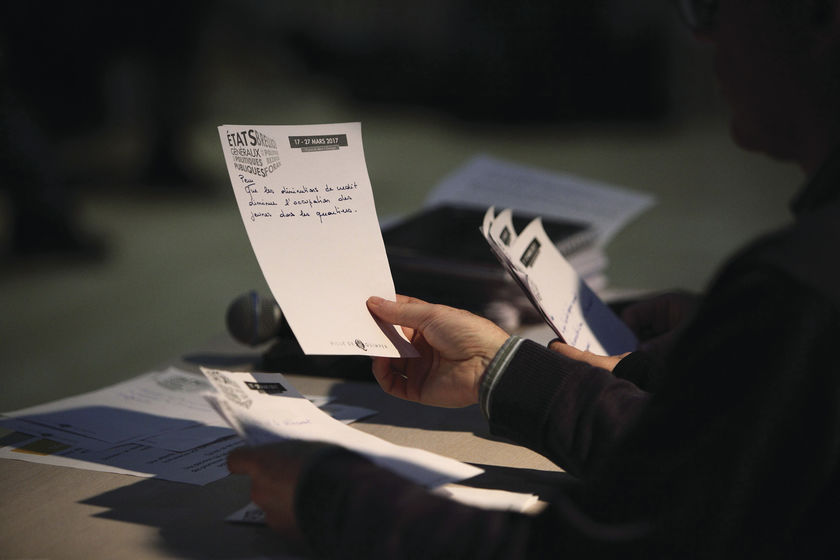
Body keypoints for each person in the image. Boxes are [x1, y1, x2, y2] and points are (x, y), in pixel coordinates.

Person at [227, 1, 840, 558]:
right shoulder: (797, 289)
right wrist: (513, 369)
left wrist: (330, 498)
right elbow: (715, 466)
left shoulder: (799, 288)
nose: (703, 37)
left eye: (714, 8)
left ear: (819, 20)